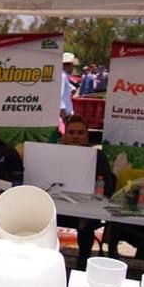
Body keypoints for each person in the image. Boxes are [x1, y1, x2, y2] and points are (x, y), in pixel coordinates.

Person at [55, 114, 115, 269]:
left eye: (80, 133)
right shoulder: (53, 153)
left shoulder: (98, 156)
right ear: (65, 134)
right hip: (57, 204)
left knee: (86, 224)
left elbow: (108, 187)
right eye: (72, 132)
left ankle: (82, 263)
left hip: (85, 209)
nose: (76, 137)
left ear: (87, 135)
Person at [60, 52, 77, 119]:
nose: (72, 68)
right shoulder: (62, 76)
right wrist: (62, 109)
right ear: (67, 65)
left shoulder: (64, 76)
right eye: (72, 66)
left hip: (67, 113)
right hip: (64, 113)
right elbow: (59, 94)